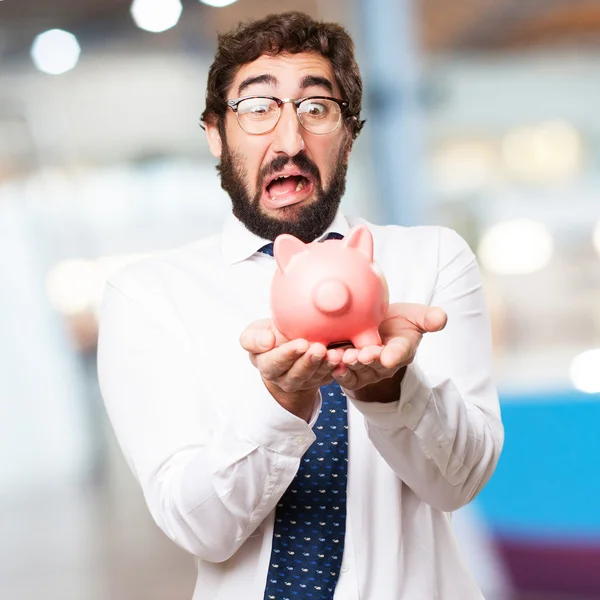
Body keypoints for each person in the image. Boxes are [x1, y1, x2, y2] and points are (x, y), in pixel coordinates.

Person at [97, 11, 504, 600]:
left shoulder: (432, 260)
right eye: (258, 108)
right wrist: (281, 402)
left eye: (317, 109)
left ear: (350, 133)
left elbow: (460, 485)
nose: (290, 141)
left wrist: (390, 390)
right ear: (215, 131)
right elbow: (199, 529)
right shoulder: (150, 295)